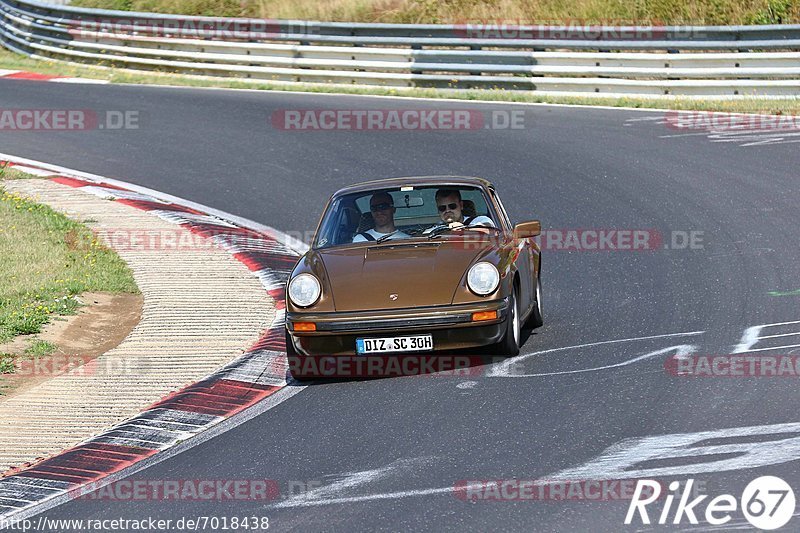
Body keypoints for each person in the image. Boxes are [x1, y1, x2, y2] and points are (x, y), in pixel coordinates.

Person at [426, 189, 495, 233]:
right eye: (442, 208)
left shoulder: (479, 221)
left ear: (461, 205)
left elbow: (490, 231)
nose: (447, 210)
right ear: (438, 210)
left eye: (452, 206)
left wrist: (464, 229)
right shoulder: (435, 230)